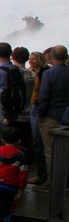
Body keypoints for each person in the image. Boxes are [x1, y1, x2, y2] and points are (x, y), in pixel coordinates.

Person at [35, 45, 69, 193]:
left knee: (50, 152)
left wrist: (40, 115)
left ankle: (53, 182)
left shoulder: (49, 73)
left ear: (51, 56)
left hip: (51, 116)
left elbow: (44, 96)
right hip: (66, 115)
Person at [27, 50, 50, 186]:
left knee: (38, 142)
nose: (31, 61)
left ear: (41, 60)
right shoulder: (32, 73)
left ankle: (42, 174)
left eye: (34, 59)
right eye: (30, 59)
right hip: (34, 107)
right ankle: (42, 173)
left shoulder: (44, 73)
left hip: (39, 108)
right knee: (37, 141)